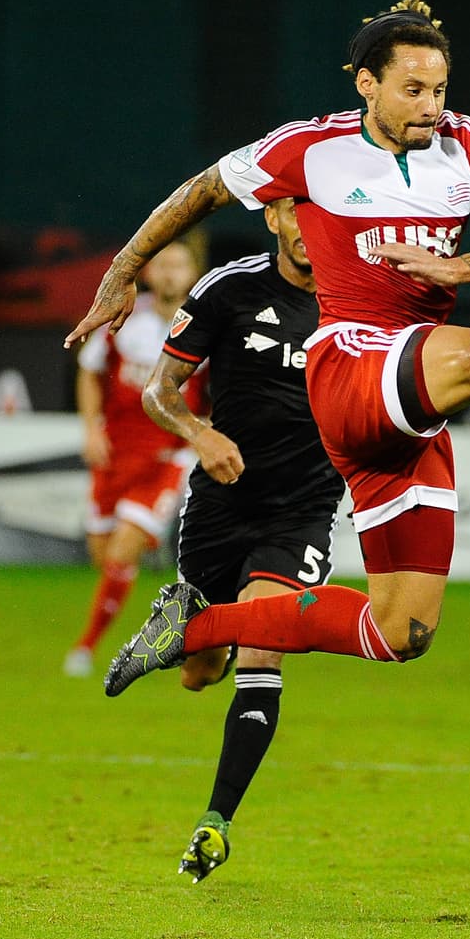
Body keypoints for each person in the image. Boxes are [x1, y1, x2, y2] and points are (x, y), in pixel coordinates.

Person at [64, 0, 470, 694]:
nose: (431, 106)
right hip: (347, 364)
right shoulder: (309, 147)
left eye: (439, 89)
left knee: (401, 631)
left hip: (411, 404)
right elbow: (200, 192)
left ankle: (191, 628)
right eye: (412, 90)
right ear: (367, 85)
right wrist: (121, 271)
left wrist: (460, 267)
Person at [141, 198, 344, 882]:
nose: (309, 229)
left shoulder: (362, 301)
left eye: (322, 214)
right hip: (220, 508)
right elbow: (158, 391)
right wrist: (199, 433)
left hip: (303, 511)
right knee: (198, 674)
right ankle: (208, 638)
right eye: (296, 213)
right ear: (274, 219)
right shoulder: (227, 289)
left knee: (265, 642)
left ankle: (215, 823)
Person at [62, 241, 206, 677]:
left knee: (124, 547)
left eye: (178, 265)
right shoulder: (122, 319)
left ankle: (86, 648)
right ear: (148, 273)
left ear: (192, 274)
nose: (169, 273)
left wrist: (204, 433)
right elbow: (89, 371)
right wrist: (91, 428)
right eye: (162, 264)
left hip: (167, 458)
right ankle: (153, 579)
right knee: (104, 555)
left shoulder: (206, 327)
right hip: (115, 454)